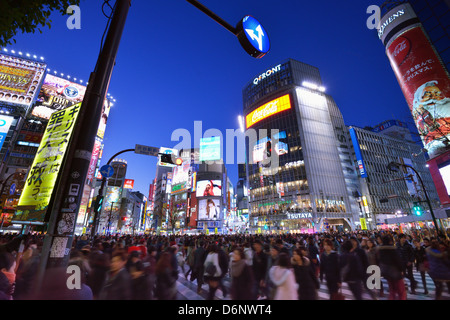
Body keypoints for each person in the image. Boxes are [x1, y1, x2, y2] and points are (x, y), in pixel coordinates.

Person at [377, 235, 406, 300]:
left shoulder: (380, 250)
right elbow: (398, 261)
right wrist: (402, 270)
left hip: (386, 272)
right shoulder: (392, 249)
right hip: (395, 272)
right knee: (401, 291)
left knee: (392, 290)